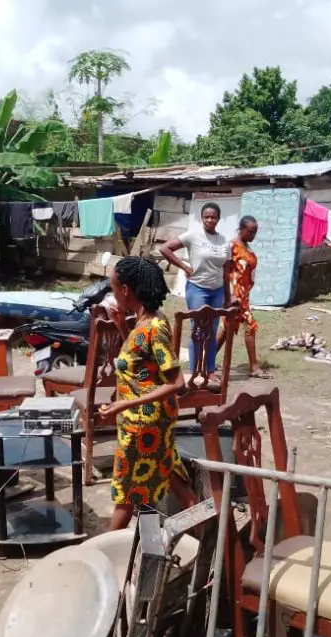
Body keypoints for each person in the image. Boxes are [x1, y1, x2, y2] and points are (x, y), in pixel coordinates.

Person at [99, 256, 198, 530]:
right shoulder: (142, 323)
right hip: (146, 422)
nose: (113, 294)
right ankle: (211, 540)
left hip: (144, 427)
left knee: (127, 495)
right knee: (173, 480)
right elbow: (142, 367)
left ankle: (102, 556)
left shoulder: (155, 327)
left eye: (114, 288)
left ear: (127, 290)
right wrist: (122, 328)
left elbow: (177, 382)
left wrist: (122, 405)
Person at [159, 202, 230, 377]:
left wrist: (227, 296)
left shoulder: (224, 241)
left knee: (212, 331)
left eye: (213, 217)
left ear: (218, 219)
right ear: (202, 218)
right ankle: (195, 370)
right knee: (198, 330)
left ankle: (210, 370)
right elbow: (164, 248)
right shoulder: (193, 236)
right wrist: (184, 266)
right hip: (198, 288)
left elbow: (226, 272)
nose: (210, 220)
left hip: (217, 290)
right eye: (206, 217)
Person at [218, 215, 268, 378]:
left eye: (255, 232)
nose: (253, 235)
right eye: (250, 232)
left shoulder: (247, 247)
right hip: (234, 295)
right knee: (249, 326)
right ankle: (254, 367)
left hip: (244, 295)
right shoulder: (232, 246)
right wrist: (229, 296)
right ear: (241, 229)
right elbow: (223, 271)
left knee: (227, 329)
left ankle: (206, 360)